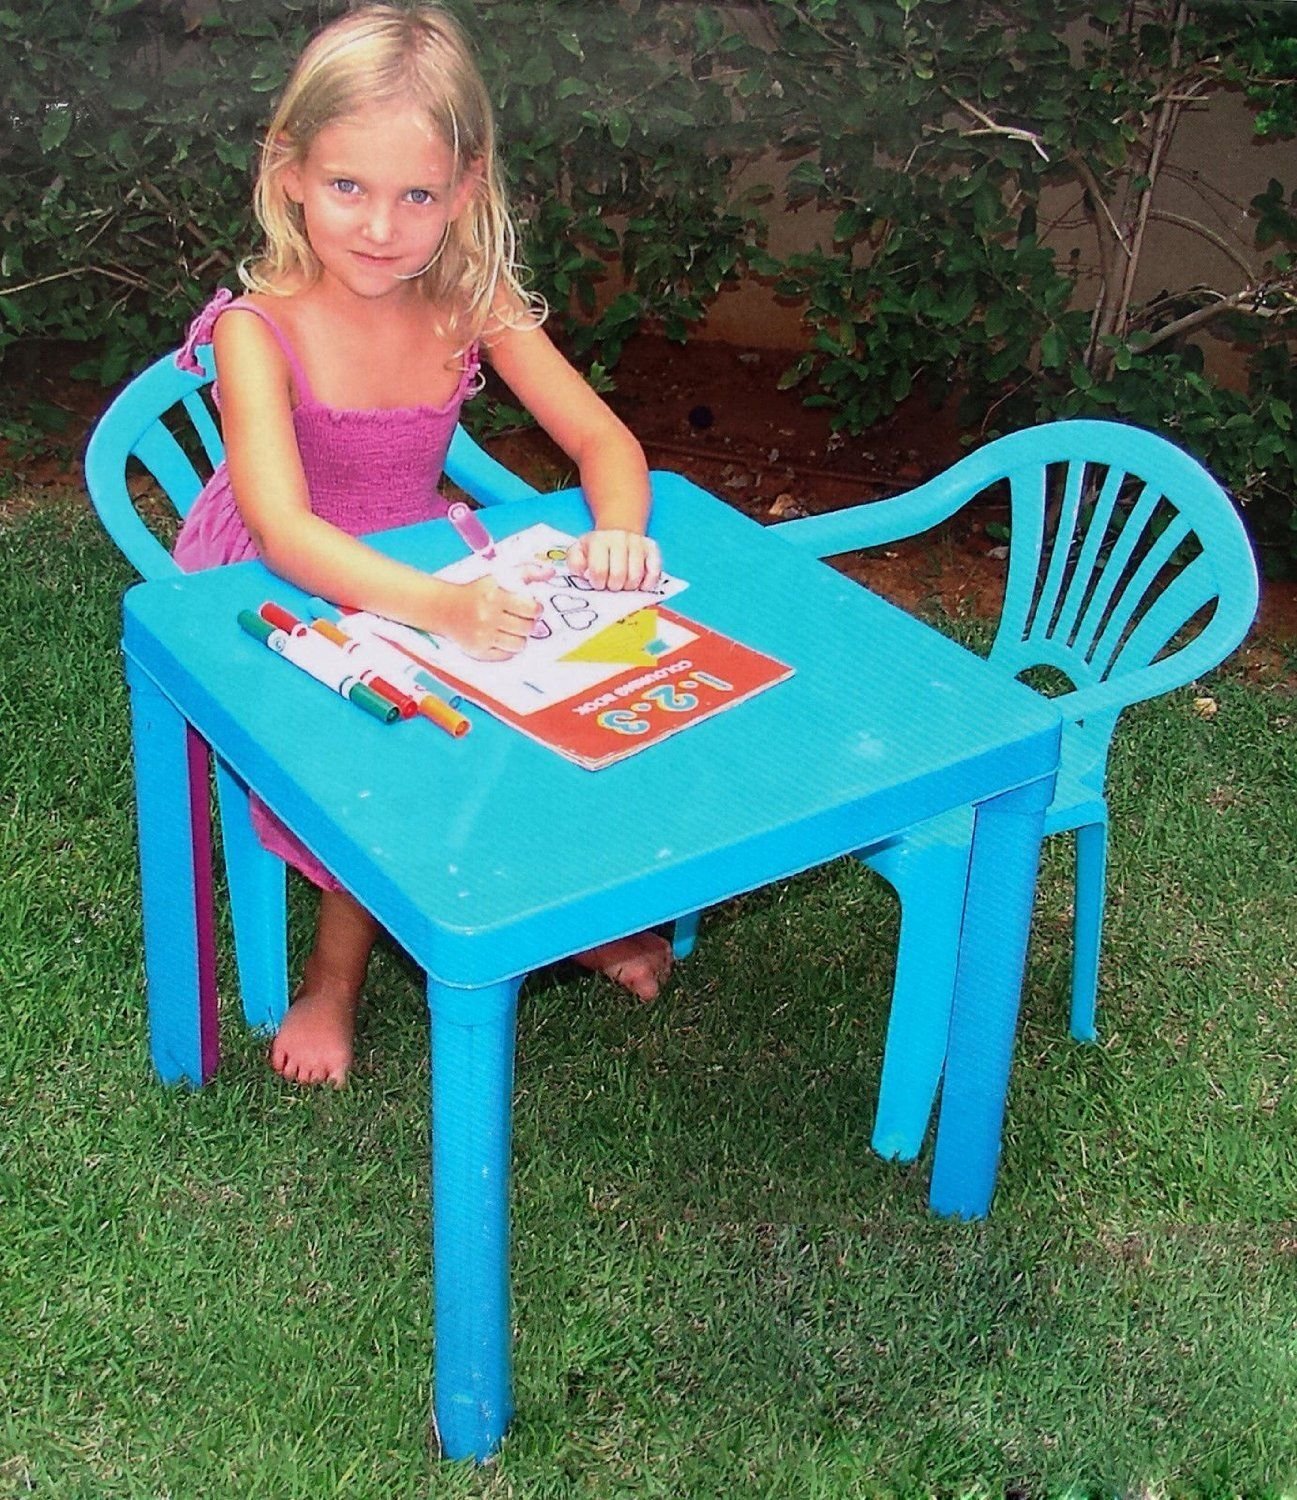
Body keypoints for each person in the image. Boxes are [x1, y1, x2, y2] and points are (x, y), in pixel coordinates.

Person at [172, 3, 673, 1087]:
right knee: (391, 737)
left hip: (418, 556)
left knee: (565, 685)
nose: (380, 227)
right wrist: (440, 608)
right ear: (290, 171)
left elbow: (602, 440)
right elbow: (284, 530)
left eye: (417, 196)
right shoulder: (259, 330)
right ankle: (333, 981)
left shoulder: (471, 301)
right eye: (348, 186)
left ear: (467, 189)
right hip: (272, 583)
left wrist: (619, 530)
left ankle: (554, 909)